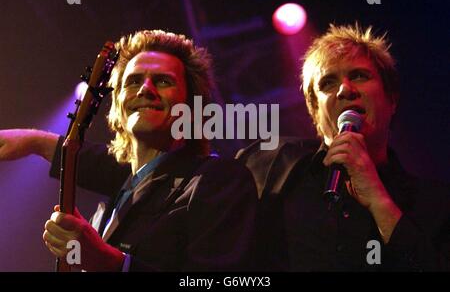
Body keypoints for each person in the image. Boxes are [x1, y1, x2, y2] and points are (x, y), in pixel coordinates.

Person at [0, 30, 259, 271]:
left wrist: (112, 262)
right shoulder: (116, 200)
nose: (146, 89)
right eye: (133, 81)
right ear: (117, 107)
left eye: (163, 81)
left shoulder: (220, 180)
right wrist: (33, 141)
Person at [236, 23, 450, 271]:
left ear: (392, 99)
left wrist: (378, 199)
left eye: (359, 75)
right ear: (315, 112)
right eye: (328, 83)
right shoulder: (266, 164)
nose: (345, 90)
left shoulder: (436, 205)